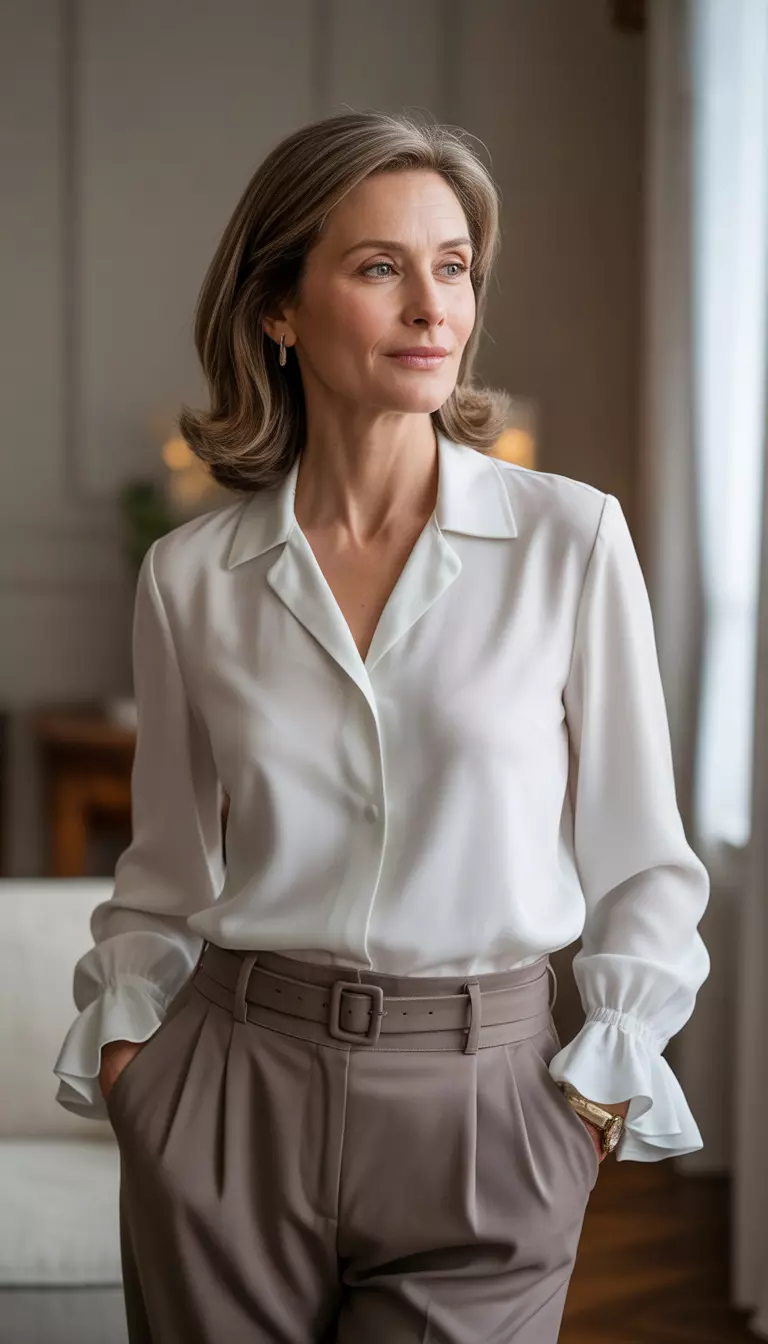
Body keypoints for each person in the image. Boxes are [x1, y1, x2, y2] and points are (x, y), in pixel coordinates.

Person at [54, 110, 711, 1344]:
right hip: (232, 1100)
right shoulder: (191, 577)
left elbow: (644, 862)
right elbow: (161, 875)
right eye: (379, 267)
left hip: (492, 1108)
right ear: (278, 311)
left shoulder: (571, 541)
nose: (433, 308)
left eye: (453, 266)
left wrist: (588, 1103)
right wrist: (138, 1062)